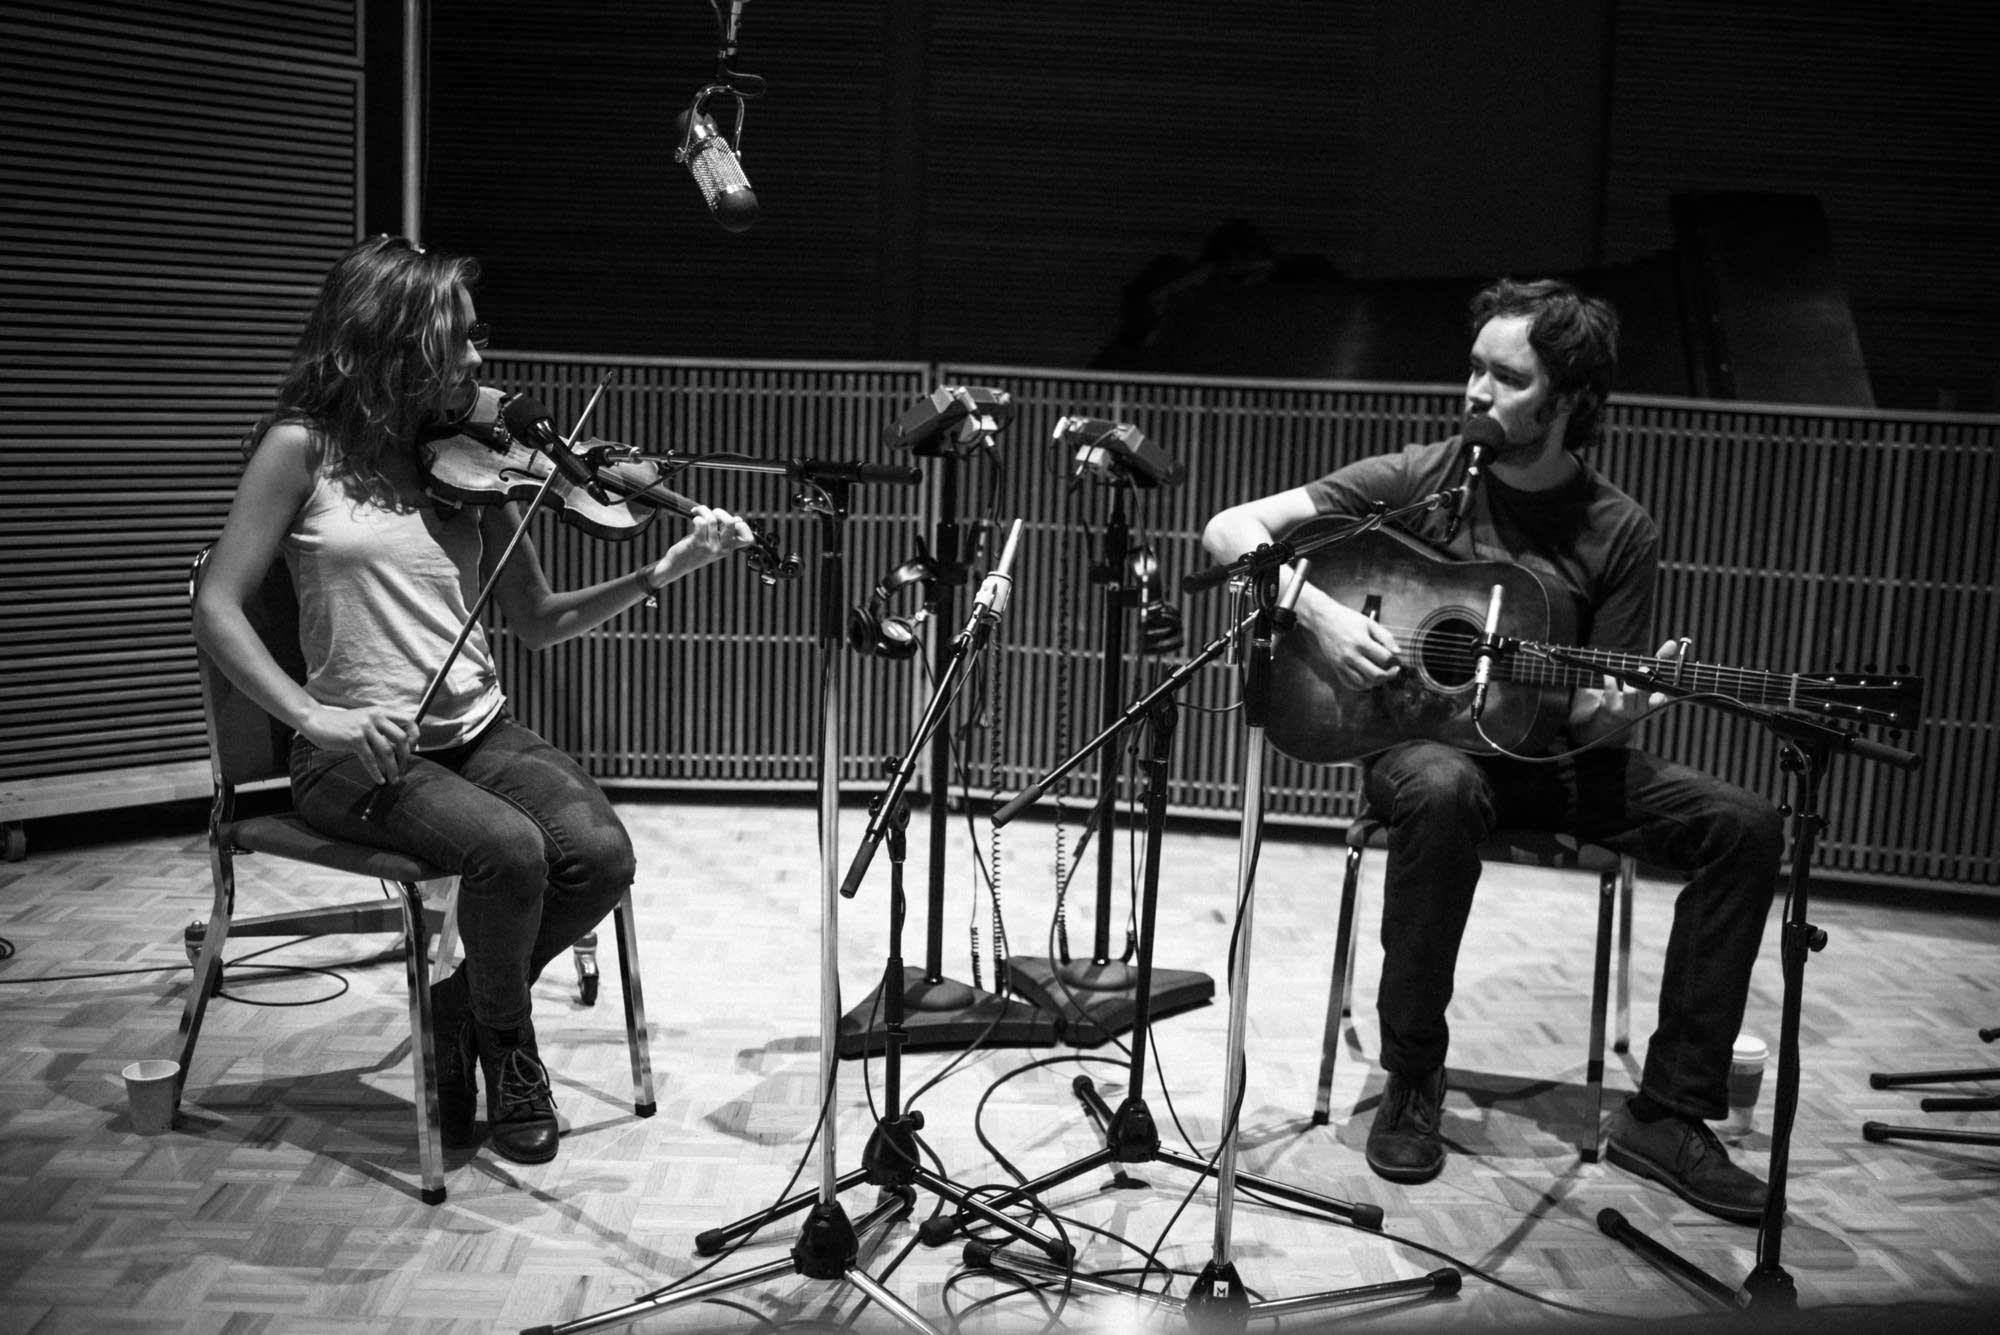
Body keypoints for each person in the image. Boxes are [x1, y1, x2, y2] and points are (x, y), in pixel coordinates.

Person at [1201, 277, 1784, 1225]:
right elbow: (1232, 531)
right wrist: (1323, 615)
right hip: (1428, 755)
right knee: (1439, 786)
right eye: (1473, 367)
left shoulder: (1618, 530)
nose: (1474, 390)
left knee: (1746, 825)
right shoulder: (1424, 476)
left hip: (1556, 765)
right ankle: (1412, 1078)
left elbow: (1589, 716)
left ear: (1566, 402)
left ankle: (1668, 1113)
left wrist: (1624, 711)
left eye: (1503, 377)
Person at [192, 235, 756, 1167]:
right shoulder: (302, 449)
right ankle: (512, 1052)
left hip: (477, 729)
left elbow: (536, 620)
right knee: (509, 854)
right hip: (353, 754)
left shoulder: (468, 462)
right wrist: (317, 716)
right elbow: (217, 603)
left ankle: (461, 1012)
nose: (477, 361)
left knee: (603, 859)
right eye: (456, 341)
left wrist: (660, 569)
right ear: (392, 343)